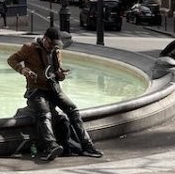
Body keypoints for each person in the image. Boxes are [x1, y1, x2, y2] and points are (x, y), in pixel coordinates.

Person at [7, 26, 103, 161]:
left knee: (73, 109)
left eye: (55, 45)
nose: (52, 47)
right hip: (36, 89)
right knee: (44, 113)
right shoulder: (29, 48)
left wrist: (60, 75)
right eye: (51, 44)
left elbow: (57, 72)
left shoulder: (56, 51)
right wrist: (23, 70)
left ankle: (87, 145)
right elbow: (12, 59)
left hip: (54, 88)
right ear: (45, 39)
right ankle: (51, 145)